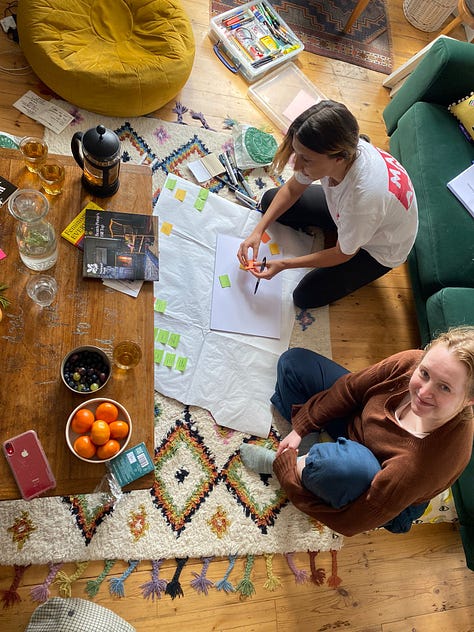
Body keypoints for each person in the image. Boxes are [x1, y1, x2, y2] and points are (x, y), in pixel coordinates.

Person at [240, 326, 474, 536]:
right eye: (424, 373)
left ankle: (300, 465)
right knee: (293, 363)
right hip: (362, 427)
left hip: (380, 487)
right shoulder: (410, 362)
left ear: (469, 400)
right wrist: (303, 427)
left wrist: (286, 472)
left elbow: (349, 523)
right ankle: (309, 453)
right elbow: (351, 388)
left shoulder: (419, 468)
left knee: (341, 466)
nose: (423, 392)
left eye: (444, 387)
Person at [237, 100, 418, 309]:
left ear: (339, 158)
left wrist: (284, 264)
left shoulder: (362, 200)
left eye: (306, 159)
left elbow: (342, 253)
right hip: (356, 216)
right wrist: (258, 231)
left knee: (305, 297)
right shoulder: (338, 147)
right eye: (297, 154)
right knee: (270, 201)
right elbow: (292, 189)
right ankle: (345, 231)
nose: (296, 165)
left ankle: (349, 237)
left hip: (380, 248)